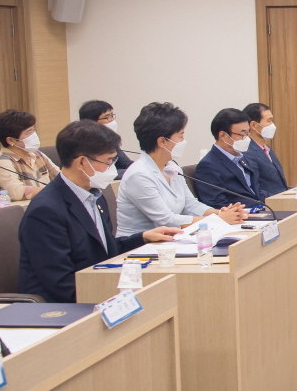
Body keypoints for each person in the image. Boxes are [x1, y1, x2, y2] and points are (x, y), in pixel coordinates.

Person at [16, 120, 179, 303]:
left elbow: (104, 251)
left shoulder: (94, 195)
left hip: (95, 287)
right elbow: (60, 282)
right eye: (108, 162)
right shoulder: (46, 211)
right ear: (82, 162)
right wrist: (115, 298)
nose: (113, 169)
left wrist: (143, 237)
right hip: (61, 304)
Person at [117, 102, 247, 236]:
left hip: (169, 238)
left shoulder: (172, 167)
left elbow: (190, 205)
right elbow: (166, 220)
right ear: (162, 142)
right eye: (180, 135)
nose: (183, 141)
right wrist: (217, 220)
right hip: (140, 244)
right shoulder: (139, 174)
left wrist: (221, 213)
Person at [0, 109, 59, 207]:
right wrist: (55, 190)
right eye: (29, 132)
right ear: (11, 140)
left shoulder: (36, 154)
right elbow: (17, 192)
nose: (34, 135)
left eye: (33, 130)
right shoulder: (1, 162)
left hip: (42, 206)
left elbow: (59, 176)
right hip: (11, 214)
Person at [193, 108, 265, 210]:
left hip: (262, 210)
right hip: (243, 215)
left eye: (248, 133)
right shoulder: (208, 165)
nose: (246, 139)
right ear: (223, 135)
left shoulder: (243, 158)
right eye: (242, 134)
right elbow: (217, 204)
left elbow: (257, 191)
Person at [243, 102, 289, 196]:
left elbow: (280, 186)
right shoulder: (247, 152)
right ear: (253, 125)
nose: (273, 125)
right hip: (269, 202)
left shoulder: (267, 150)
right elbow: (256, 190)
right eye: (269, 121)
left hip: (280, 199)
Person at [78, 99, 133, 175]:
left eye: (111, 116)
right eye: (106, 117)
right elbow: (102, 173)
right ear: (91, 122)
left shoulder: (109, 140)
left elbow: (126, 164)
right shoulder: (82, 143)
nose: (112, 120)